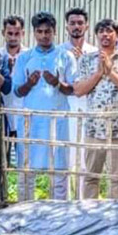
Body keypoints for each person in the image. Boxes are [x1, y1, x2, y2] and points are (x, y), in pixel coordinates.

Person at [12, 12, 76, 201]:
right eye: (39, 31)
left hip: (57, 119)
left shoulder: (65, 56)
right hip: (31, 120)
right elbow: (17, 91)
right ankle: (25, 208)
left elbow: (72, 89)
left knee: (59, 167)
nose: (44, 35)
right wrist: (29, 84)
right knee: (26, 167)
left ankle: (59, 211)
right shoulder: (25, 58)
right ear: (34, 33)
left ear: (54, 31)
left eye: (47, 31)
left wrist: (57, 83)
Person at [74, 19, 118, 200]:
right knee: (91, 177)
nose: (105, 35)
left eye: (109, 31)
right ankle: (89, 214)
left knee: (117, 177)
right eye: (101, 31)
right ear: (96, 35)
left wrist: (110, 72)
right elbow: (78, 90)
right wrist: (98, 73)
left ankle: (115, 218)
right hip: (94, 127)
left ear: (117, 36)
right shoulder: (87, 60)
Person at [59, 8, 97, 188]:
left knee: (84, 156)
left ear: (86, 26)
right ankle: (63, 201)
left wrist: (83, 61)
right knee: (65, 156)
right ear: (66, 26)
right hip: (65, 107)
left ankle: (83, 198)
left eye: (80, 23)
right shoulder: (59, 51)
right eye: (72, 23)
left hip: (88, 107)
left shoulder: (94, 52)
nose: (76, 27)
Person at [0, 15, 28, 162]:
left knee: (23, 160)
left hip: (22, 112)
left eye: (17, 33)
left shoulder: (29, 56)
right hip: (3, 112)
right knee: (1, 161)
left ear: (23, 33)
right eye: (9, 33)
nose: (13, 37)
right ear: (3, 33)